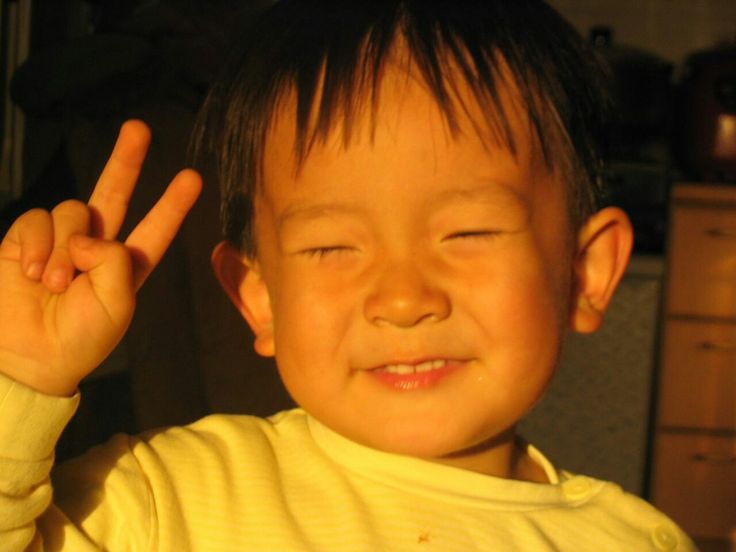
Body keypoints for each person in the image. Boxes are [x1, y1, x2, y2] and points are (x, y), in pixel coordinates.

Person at [0, 1, 696, 550]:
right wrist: (19, 380)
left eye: (469, 232)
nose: (402, 299)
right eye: (332, 247)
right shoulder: (161, 499)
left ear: (585, 272)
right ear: (259, 296)